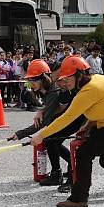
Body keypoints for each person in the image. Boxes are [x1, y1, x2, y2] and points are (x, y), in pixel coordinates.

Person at [31, 56, 104, 207]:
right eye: (64, 78)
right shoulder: (96, 79)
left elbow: (66, 118)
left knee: (84, 153)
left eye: (68, 77)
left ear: (79, 75)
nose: (65, 82)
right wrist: (89, 125)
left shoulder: (88, 91)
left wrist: (41, 134)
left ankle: (79, 199)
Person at [10, 59, 76, 189]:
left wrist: (21, 134)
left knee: (50, 139)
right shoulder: (47, 90)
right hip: (64, 118)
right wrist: (42, 110)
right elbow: (49, 111)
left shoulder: (53, 91)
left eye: (35, 80)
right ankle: (69, 166)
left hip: (73, 119)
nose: (31, 83)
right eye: (30, 80)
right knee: (52, 141)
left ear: (44, 78)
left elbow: (43, 123)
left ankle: (58, 174)